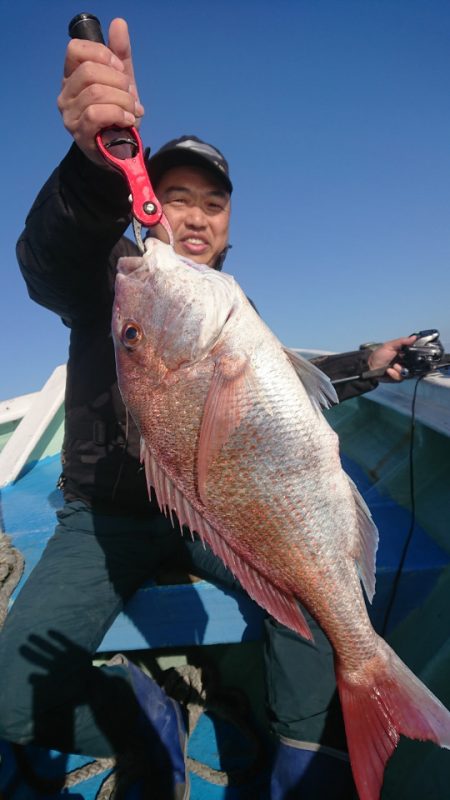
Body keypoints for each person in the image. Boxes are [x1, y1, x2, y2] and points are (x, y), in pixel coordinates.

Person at [0, 18, 416, 800]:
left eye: (213, 204)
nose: (192, 217)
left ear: (228, 225)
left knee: (318, 609)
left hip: (213, 514)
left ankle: (305, 755)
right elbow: (48, 261)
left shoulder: (229, 310)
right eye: (176, 196)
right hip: (104, 519)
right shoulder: (119, 277)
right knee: (9, 692)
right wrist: (93, 171)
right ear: (143, 200)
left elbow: (290, 391)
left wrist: (370, 362)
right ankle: (138, 716)